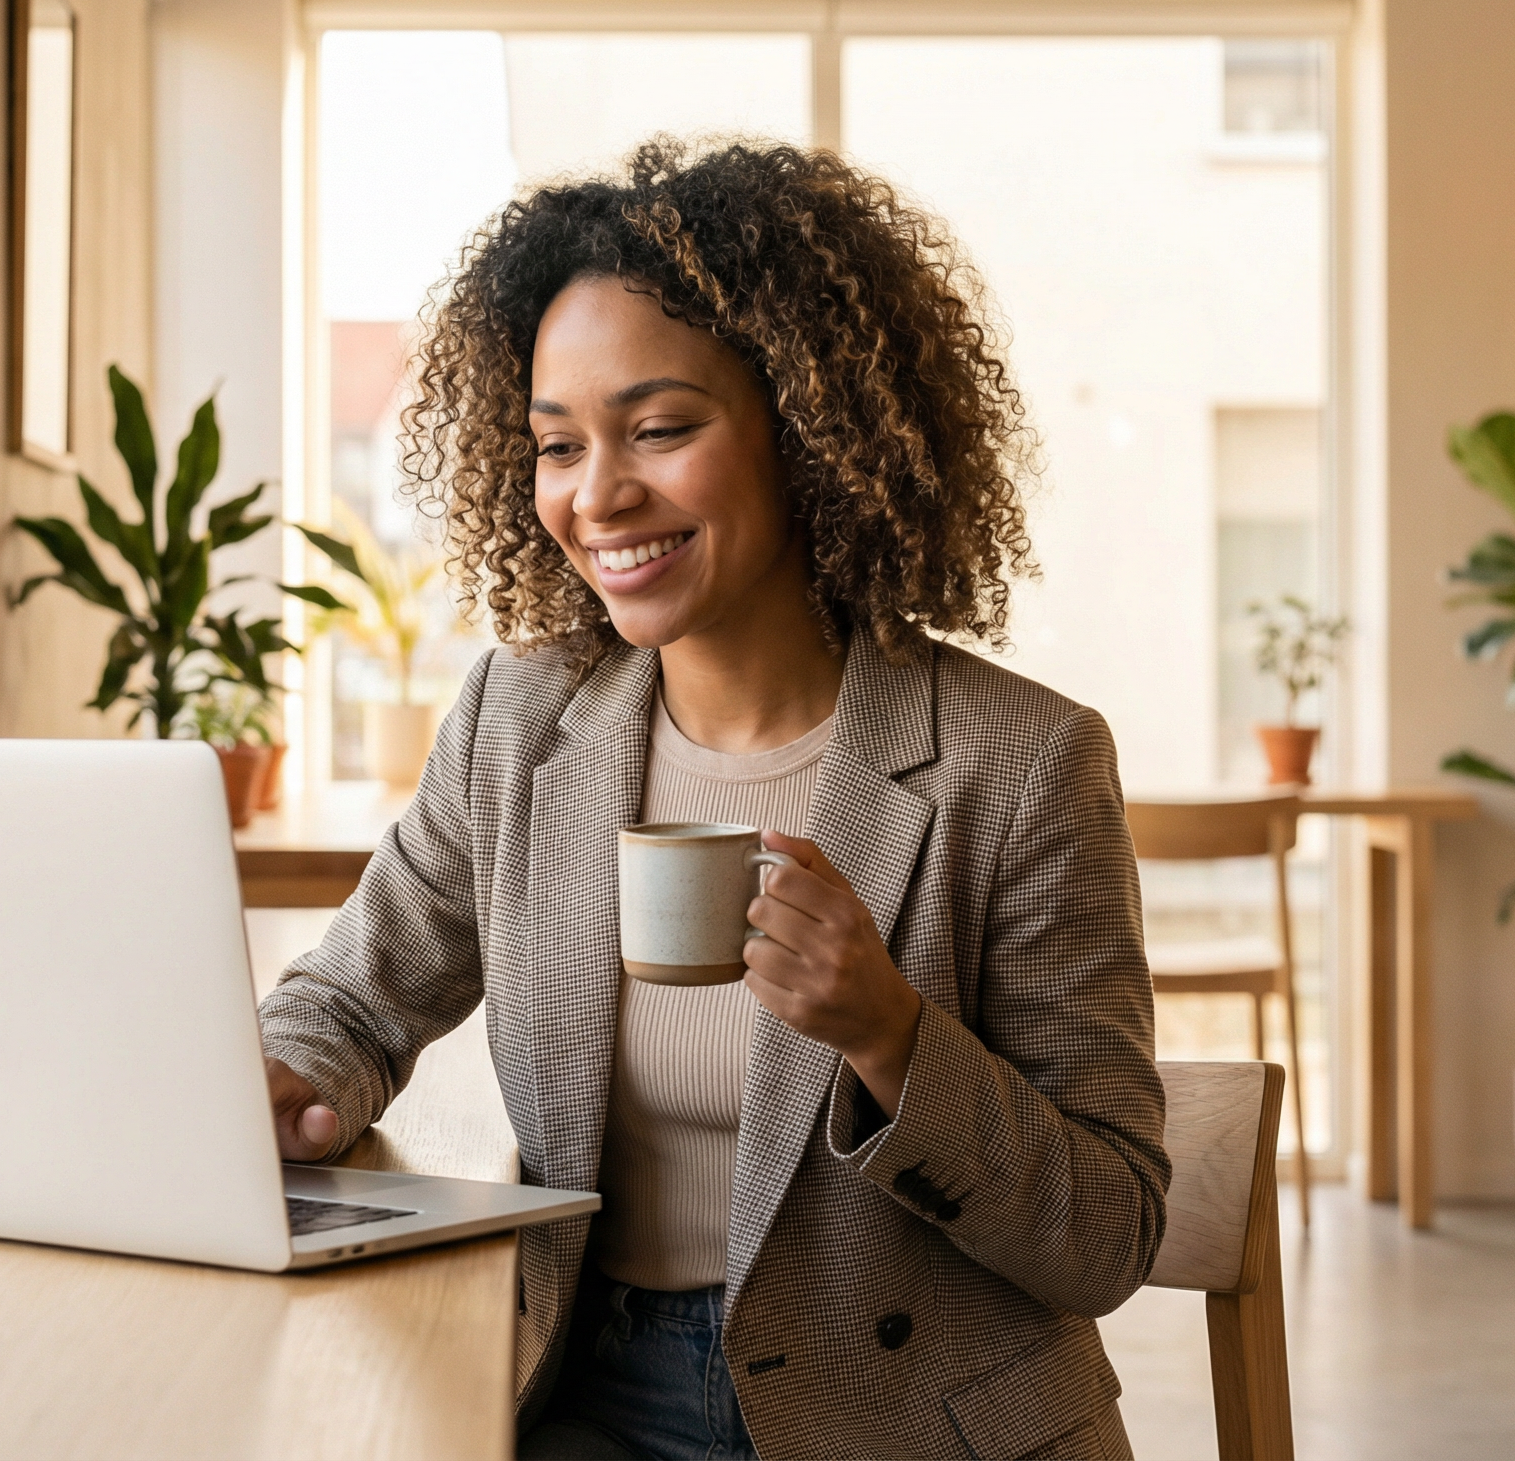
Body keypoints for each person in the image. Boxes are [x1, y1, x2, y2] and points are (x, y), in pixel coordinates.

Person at [260, 138, 1167, 1461]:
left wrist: (894, 1035)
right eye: (558, 444)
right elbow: (353, 995)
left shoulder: (1019, 767)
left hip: (904, 1425)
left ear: (810, 431)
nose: (598, 494)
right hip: (583, 1387)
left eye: (661, 428)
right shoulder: (521, 720)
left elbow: (1109, 1230)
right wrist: (296, 1076)